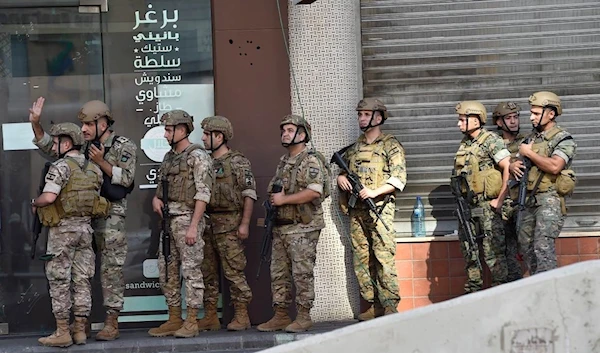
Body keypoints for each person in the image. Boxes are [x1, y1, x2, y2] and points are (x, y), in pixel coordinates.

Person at [30, 97, 137, 341]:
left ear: (103, 123)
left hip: (111, 218)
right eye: (83, 125)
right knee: (83, 274)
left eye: (89, 124)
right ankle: (81, 325)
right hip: (85, 220)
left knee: (111, 270)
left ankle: (111, 321)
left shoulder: (123, 146)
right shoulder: (83, 147)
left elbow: (127, 178)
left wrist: (101, 162)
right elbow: (51, 147)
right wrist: (36, 124)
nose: (85, 129)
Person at [32, 123, 109, 347]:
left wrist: (34, 203)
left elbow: (48, 197)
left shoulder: (61, 167)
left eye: (56, 142)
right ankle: (80, 331)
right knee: (83, 280)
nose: (54, 147)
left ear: (66, 143)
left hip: (63, 231)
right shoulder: (94, 168)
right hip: (86, 230)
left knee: (59, 279)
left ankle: (63, 331)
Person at [336, 98, 406, 320]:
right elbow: (345, 170)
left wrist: (375, 192)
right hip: (357, 211)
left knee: (383, 257)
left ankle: (390, 305)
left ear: (378, 117)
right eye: (360, 115)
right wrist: (341, 178)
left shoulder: (390, 145)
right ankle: (371, 303)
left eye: (366, 115)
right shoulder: (355, 147)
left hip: (379, 209)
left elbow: (399, 178)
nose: (361, 118)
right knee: (362, 258)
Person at [257, 114, 327, 333]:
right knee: (278, 273)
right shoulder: (284, 161)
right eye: (283, 130)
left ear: (302, 134)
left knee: (302, 273)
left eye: (290, 130)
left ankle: (304, 316)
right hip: (282, 226)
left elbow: (314, 191)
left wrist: (283, 200)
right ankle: (280, 315)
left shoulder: (311, 160)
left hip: (303, 227)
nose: (285, 134)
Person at [148, 110, 213, 338]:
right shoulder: (169, 157)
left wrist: (194, 226)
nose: (165, 134)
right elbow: (161, 188)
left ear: (182, 130)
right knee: (167, 270)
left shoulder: (197, 156)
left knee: (191, 270)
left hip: (187, 219)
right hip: (168, 221)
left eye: (168, 130)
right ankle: (175, 317)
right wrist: (157, 199)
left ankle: (193, 320)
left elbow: (203, 194)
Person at [195, 116, 256, 331]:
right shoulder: (205, 162)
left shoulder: (238, 162)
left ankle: (242, 314)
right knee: (207, 271)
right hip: (207, 224)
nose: (202, 138)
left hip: (230, 224)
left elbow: (249, 194)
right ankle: (210, 315)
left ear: (219, 136)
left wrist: (245, 223)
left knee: (234, 271)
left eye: (206, 134)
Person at [515, 92, 576, 274]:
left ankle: (549, 288)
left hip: (549, 199)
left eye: (536, 113)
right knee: (525, 246)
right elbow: (519, 162)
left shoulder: (563, 138)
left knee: (542, 246)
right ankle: (538, 284)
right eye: (531, 113)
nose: (531, 117)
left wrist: (529, 153)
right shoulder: (530, 139)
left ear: (550, 114)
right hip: (528, 200)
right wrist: (513, 165)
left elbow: (556, 166)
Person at [453, 101, 510, 293]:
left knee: (493, 252)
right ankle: (473, 292)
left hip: (487, 206)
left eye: (462, 120)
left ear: (476, 120)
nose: (459, 124)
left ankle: (500, 294)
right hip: (468, 206)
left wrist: (500, 200)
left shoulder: (491, 140)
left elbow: (508, 167)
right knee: (470, 251)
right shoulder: (465, 144)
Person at [492, 102, 525, 282]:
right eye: (508, 118)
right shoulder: (493, 145)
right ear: (498, 122)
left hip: (521, 205)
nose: (513, 122)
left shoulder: (527, 143)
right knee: (504, 253)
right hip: (501, 207)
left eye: (516, 117)